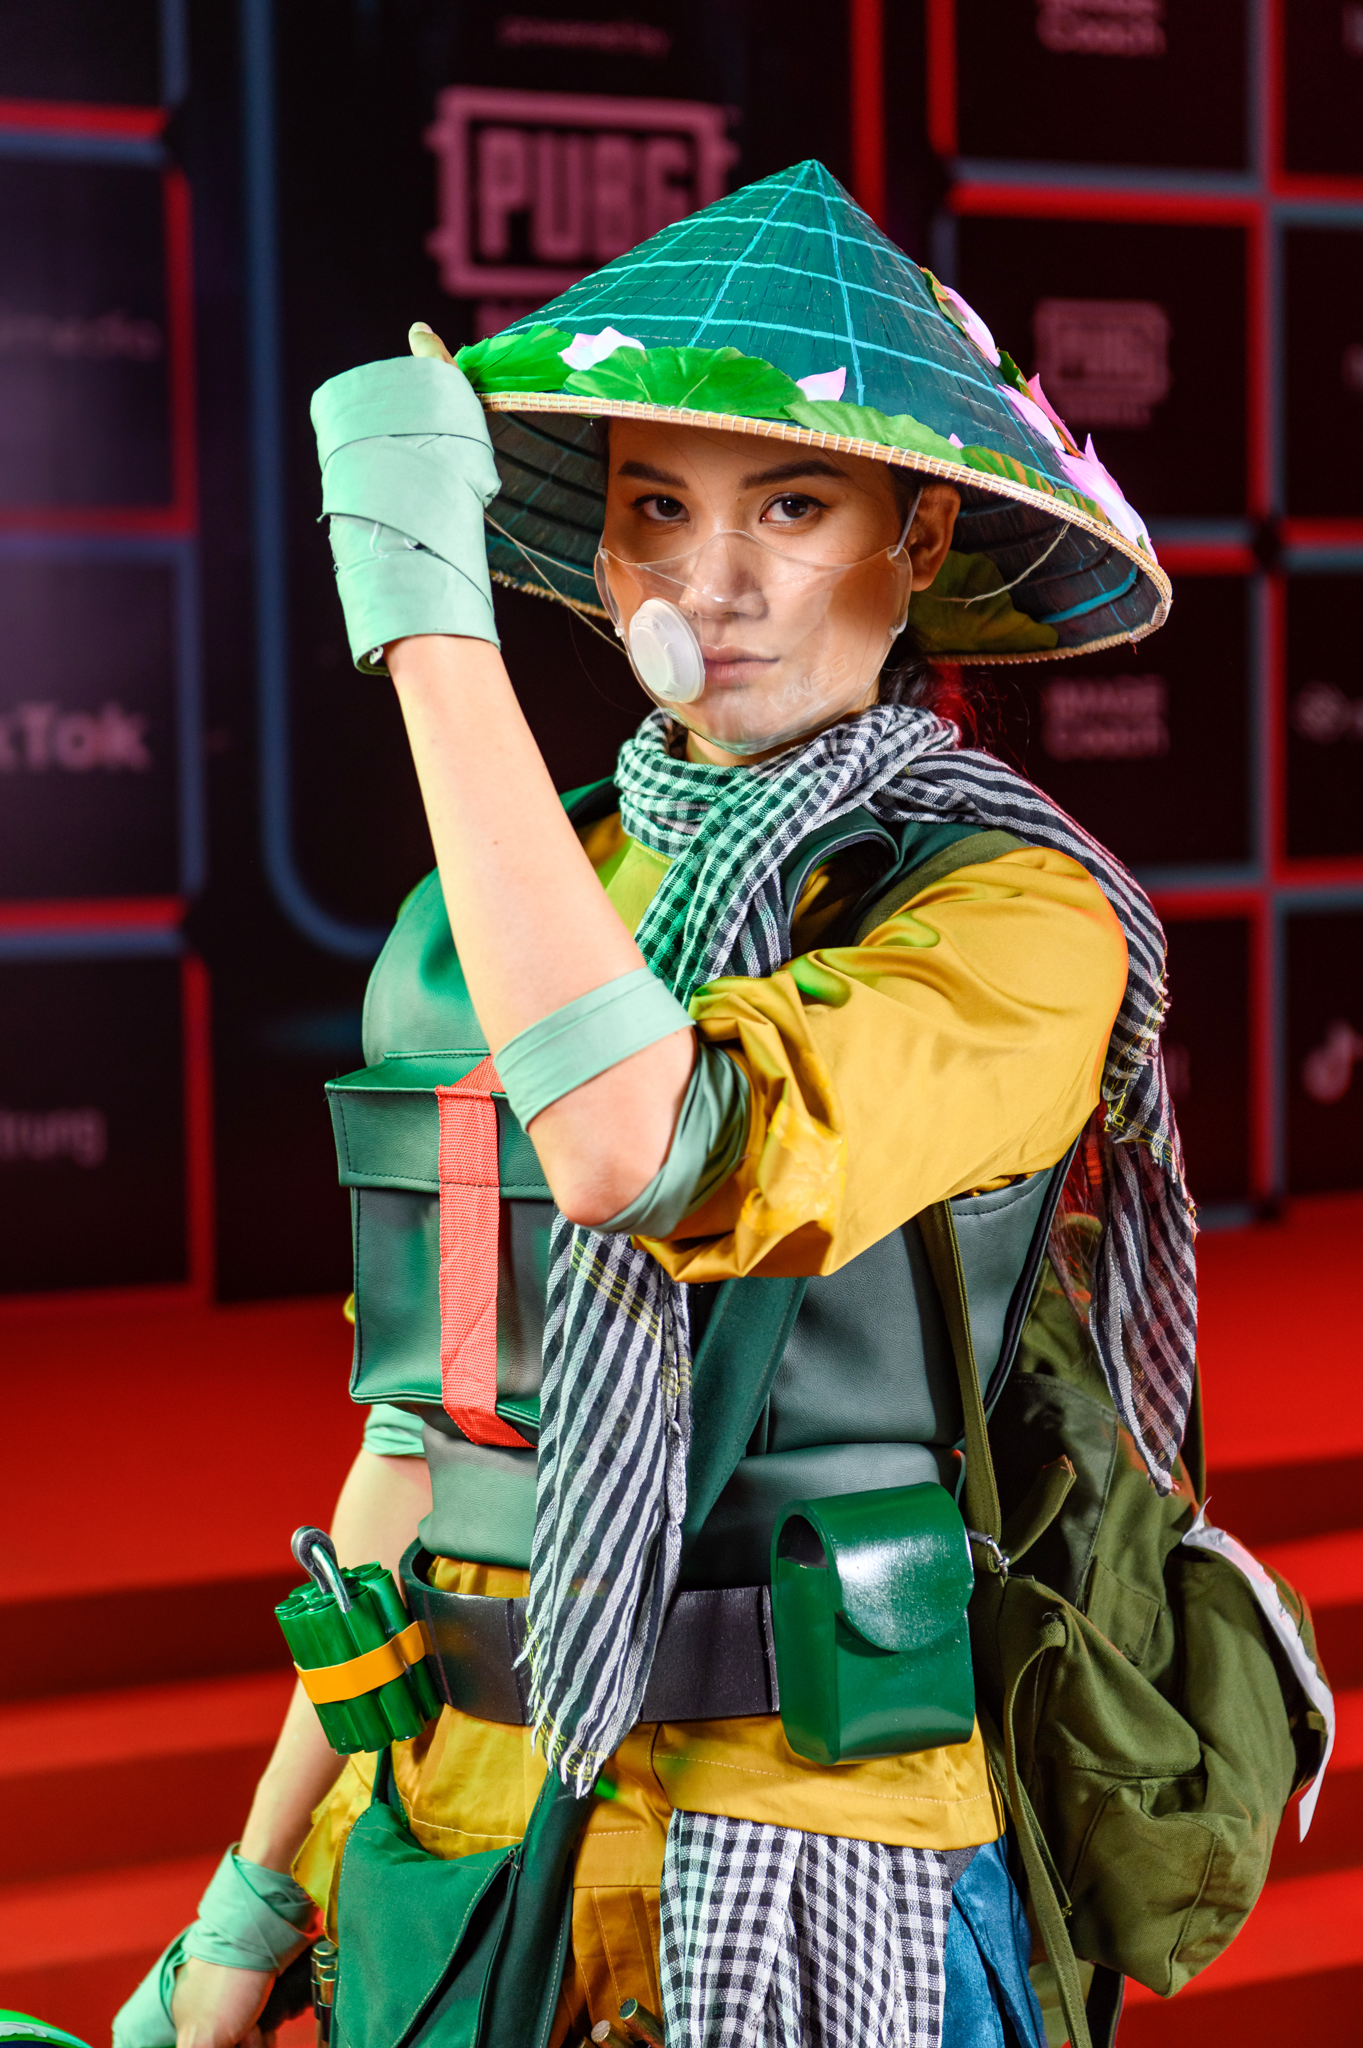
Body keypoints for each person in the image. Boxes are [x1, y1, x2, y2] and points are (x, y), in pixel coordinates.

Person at [119, 159, 1189, 2048]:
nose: (712, 582)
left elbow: (642, 1147)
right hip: (463, 1845)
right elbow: (430, 1428)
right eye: (655, 510)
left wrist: (427, 633)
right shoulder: (492, 915)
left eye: (792, 504)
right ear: (605, 556)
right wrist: (252, 1894)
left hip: (820, 1864)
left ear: (920, 536)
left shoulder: (1015, 919)